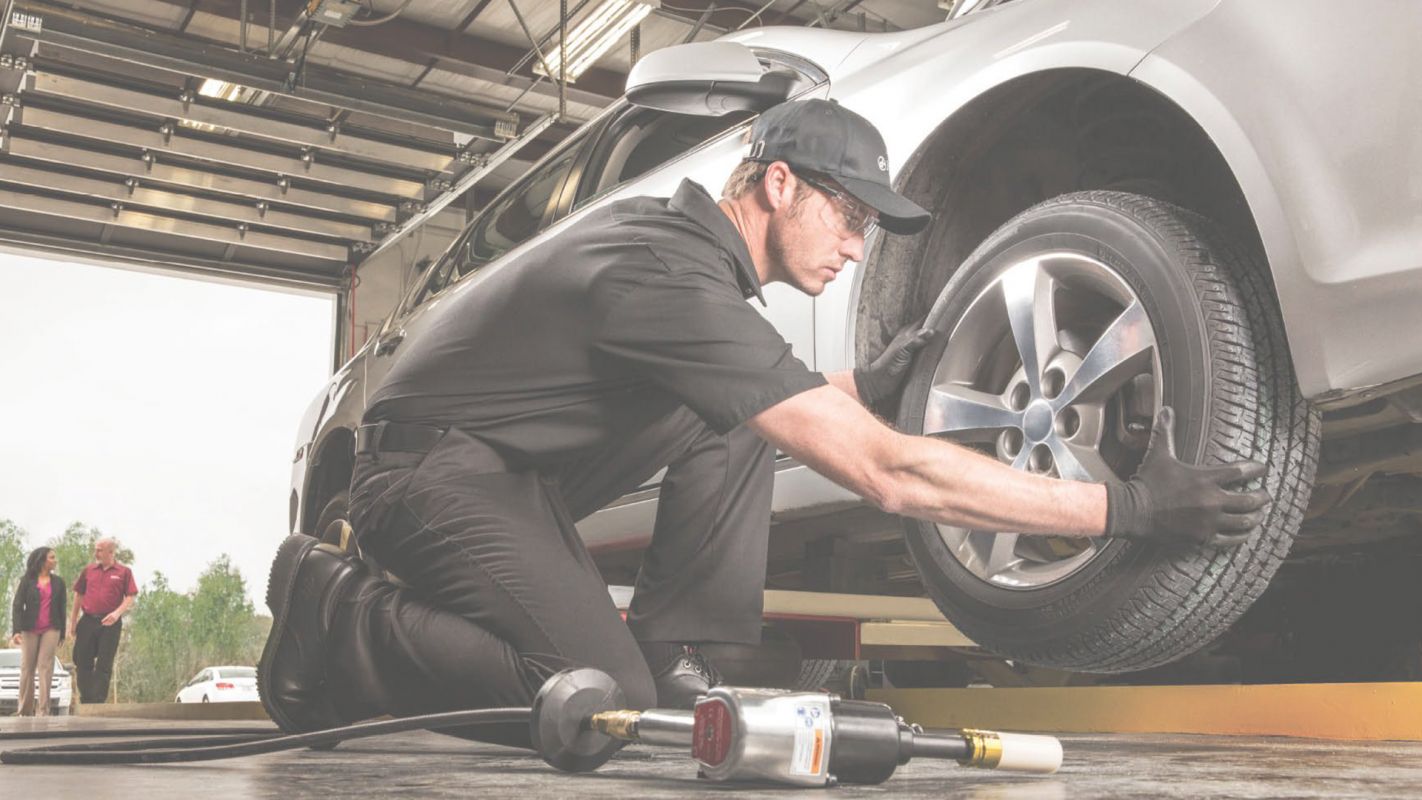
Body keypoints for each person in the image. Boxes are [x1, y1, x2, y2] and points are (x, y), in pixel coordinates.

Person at [260, 99, 1268, 743]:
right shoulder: (665, 273)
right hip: (421, 476)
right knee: (587, 692)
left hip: (506, 472)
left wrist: (862, 383)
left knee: (744, 415)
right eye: (849, 215)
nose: (857, 244)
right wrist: (1122, 506)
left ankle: (674, 651)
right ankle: (334, 607)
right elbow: (891, 477)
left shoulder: (687, 264)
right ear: (778, 182)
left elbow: (762, 402)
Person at [69, 538, 137, 704]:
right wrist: (73, 622)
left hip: (110, 623)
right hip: (88, 620)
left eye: (99, 550)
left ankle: (98, 702)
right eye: (95, 549)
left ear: (111, 552)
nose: (96, 553)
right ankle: (87, 699)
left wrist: (117, 613)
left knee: (104, 664)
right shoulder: (89, 570)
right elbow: (78, 595)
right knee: (81, 660)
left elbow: (130, 596)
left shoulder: (124, 572)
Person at [9, 547, 67, 716]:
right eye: (52, 557)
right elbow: (18, 605)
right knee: (27, 667)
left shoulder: (58, 582)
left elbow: (62, 607)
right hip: (29, 628)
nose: (55, 560)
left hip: (51, 628)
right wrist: (16, 630)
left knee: (45, 667)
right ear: (42, 560)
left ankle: (43, 711)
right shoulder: (27, 580)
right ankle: (24, 710)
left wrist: (62, 632)